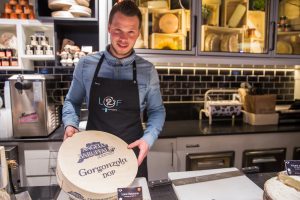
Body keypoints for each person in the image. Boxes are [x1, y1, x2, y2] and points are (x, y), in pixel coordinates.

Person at [62, 0, 166, 179]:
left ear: (138, 33)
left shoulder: (147, 71)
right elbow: (72, 101)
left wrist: (148, 139)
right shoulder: (86, 65)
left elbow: (157, 111)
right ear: (109, 28)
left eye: (131, 32)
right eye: (118, 30)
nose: (124, 38)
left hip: (131, 155)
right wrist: (70, 123)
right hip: (94, 156)